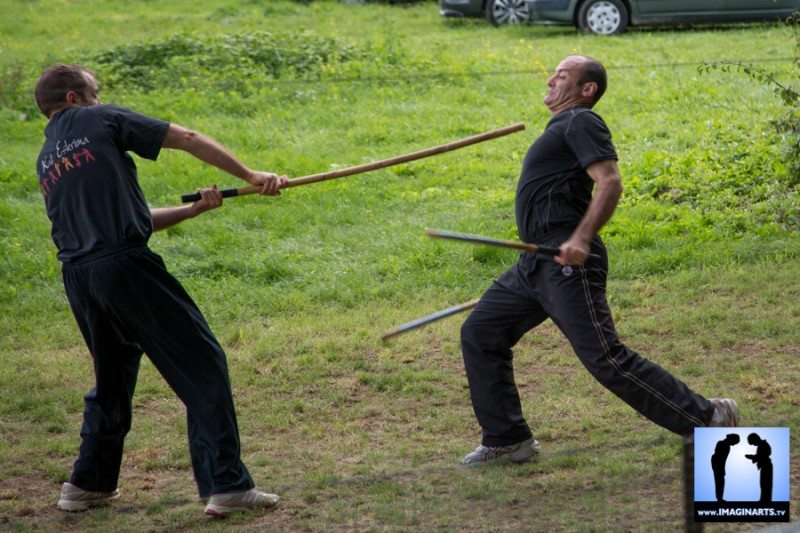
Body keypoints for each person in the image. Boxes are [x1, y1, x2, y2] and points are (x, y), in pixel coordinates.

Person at [459, 55, 740, 466]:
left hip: (566, 259)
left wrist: (581, 239)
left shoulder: (581, 121)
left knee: (605, 358)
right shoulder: (560, 127)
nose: (552, 79)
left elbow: (610, 181)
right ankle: (508, 439)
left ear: (586, 89)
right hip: (534, 263)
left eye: (563, 74)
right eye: (554, 73)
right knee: (481, 332)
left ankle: (709, 416)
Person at [34, 64, 287, 516]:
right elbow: (186, 138)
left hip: (81, 278)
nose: (100, 98)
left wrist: (192, 212)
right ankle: (226, 484)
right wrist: (251, 175)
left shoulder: (49, 157)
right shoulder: (99, 119)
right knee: (202, 362)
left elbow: (131, 217)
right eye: (95, 92)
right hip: (126, 267)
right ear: (73, 98)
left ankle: (87, 483)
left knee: (112, 380)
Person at [711, 433, 740, 502]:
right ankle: (719, 498)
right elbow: (720, 457)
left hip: (719, 463)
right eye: (734, 443)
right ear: (731, 440)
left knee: (720, 480)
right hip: (717, 462)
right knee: (719, 480)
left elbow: (723, 459)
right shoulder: (722, 444)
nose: (734, 444)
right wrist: (721, 469)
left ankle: (719, 498)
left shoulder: (726, 445)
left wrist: (722, 469)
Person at [745, 432, 773, 502]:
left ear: (755, 439)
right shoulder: (762, 445)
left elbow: (763, 455)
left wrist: (751, 457)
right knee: (764, 484)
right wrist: (752, 457)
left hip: (766, 466)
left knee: (766, 484)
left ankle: (765, 500)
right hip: (764, 466)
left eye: (753, 443)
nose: (753, 445)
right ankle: (763, 499)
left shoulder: (763, 445)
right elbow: (760, 455)